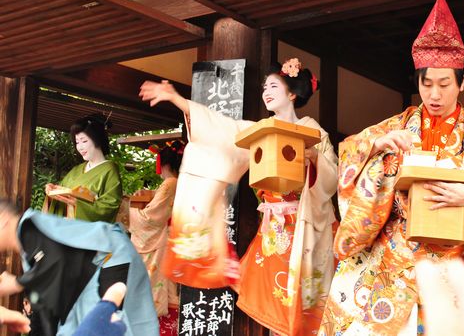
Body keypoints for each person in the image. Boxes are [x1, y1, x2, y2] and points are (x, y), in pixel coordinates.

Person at [318, 0, 464, 335]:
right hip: (393, 258)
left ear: (462, 82)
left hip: (458, 259)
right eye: (426, 85)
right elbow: (350, 152)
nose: (435, 95)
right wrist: (378, 146)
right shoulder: (396, 127)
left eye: (445, 84)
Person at [139, 58, 338, 336]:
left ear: (292, 93)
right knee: (274, 308)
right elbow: (218, 130)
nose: (266, 91)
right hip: (273, 233)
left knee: (304, 310)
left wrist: (315, 157)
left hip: (307, 231)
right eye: (264, 87)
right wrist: (177, 99)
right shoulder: (257, 130)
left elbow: (332, 180)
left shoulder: (316, 133)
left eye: (273, 85)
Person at [0, 200, 158, 336]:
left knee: (113, 324)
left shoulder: (30, 226)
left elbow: (53, 262)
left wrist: (17, 284)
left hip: (110, 258)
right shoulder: (28, 246)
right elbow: (45, 300)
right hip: (87, 280)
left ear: (2, 219)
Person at [129, 141, 184, 336]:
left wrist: (128, 209)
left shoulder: (170, 183)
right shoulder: (178, 183)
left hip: (165, 242)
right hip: (175, 241)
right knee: (171, 291)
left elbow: (150, 219)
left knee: (160, 290)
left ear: (164, 163)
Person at [45, 114, 123, 223]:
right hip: (66, 226)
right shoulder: (77, 169)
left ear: (98, 139)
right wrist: (52, 190)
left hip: (87, 232)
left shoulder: (109, 169)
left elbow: (110, 206)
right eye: (77, 142)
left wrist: (78, 204)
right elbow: (62, 190)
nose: (80, 147)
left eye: (84, 141)